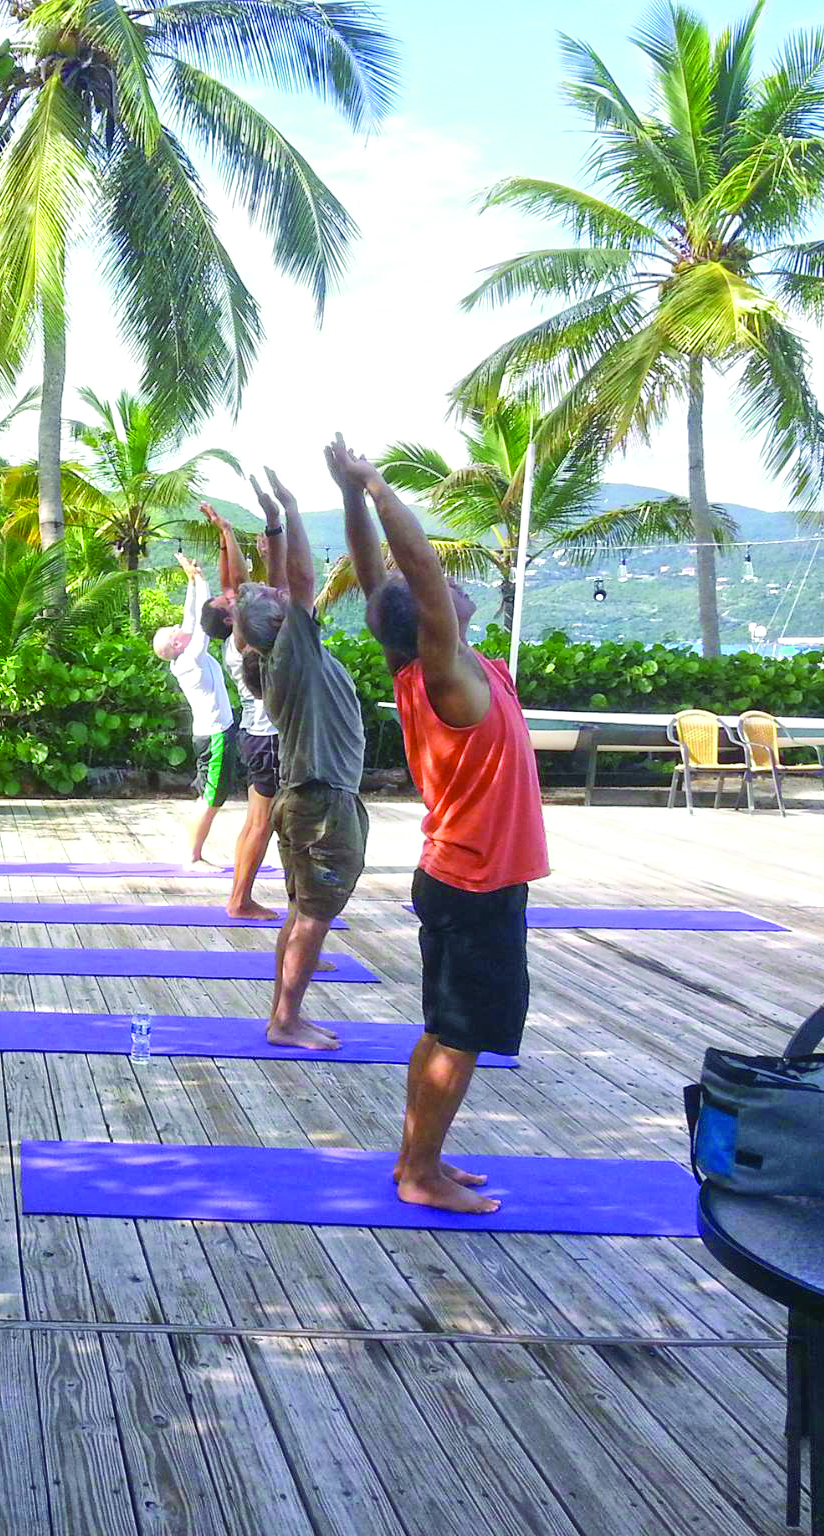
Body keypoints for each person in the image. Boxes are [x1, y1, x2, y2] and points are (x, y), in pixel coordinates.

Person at [331, 433, 548, 1215]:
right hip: (476, 882)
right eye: (436, 591)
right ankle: (421, 1174)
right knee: (460, 1036)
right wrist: (377, 485)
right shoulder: (446, 675)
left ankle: (417, 1161)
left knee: (443, 1030)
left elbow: (375, 579)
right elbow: (412, 573)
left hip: (463, 875)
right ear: (427, 624)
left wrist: (352, 500)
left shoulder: (429, 668)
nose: (447, 583)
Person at [229, 469, 367, 1051]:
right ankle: (285, 1020)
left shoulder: (280, 656)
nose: (283, 591)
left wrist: (274, 526)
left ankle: (284, 1015)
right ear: (282, 626)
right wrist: (289, 503)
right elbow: (302, 580)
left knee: (300, 908)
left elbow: (282, 585)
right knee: (313, 915)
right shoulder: (294, 655)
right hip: (322, 803)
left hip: (310, 798)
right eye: (279, 600)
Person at [203, 501, 281, 922]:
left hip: (258, 736)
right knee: (261, 823)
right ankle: (240, 899)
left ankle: (240, 896)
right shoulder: (240, 641)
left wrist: (224, 536)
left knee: (257, 821)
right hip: (267, 739)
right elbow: (237, 584)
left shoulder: (236, 637)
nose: (230, 597)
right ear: (230, 618)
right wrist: (228, 533)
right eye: (227, 602)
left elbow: (231, 584)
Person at [153, 555, 240, 872]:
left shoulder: (183, 654)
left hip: (214, 733)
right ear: (176, 645)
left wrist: (191, 579)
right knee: (212, 799)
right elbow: (201, 625)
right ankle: (193, 856)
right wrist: (201, 581)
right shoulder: (190, 659)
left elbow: (190, 618)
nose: (180, 626)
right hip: (215, 736)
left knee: (209, 796)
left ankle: (192, 852)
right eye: (174, 631)